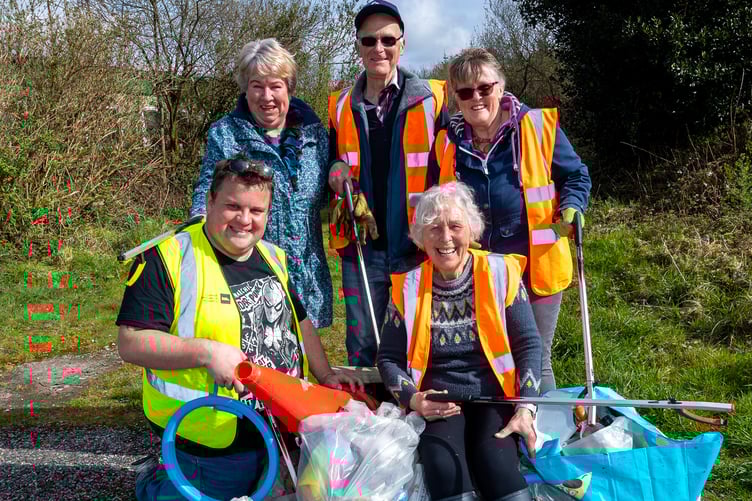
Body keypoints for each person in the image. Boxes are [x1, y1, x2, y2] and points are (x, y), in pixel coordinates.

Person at [118, 158, 362, 500]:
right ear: (210, 203)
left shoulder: (272, 256)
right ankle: (158, 478)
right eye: (233, 206)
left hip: (280, 430)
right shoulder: (168, 258)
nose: (245, 220)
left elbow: (300, 321)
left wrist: (325, 374)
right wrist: (206, 352)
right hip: (210, 442)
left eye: (256, 211)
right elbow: (130, 343)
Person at [427, 48, 591, 395]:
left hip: (537, 268)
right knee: (491, 356)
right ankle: (502, 437)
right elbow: (434, 197)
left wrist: (573, 205)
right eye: (465, 92)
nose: (476, 98)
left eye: (484, 88)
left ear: (500, 87)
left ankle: (541, 441)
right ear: (455, 97)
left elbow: (576, 176)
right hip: (480, 272)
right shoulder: (446, 142)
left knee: (535, 357)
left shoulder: (536, 127)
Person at [378, 182, 541, 501]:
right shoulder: (405, 287)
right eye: (434, 228)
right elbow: (388, 359)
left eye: (455, 226)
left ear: (472, 229)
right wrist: (414, 400)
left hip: (493, 396)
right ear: (421, 238)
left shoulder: (502, 273)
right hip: (438, 401)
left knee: (497, 467)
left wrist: (527, 408)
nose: (446, 238)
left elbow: (529, 345)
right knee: (444, 468)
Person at [328, 0, 449, 367]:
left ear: (402, 44)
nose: (378, 48)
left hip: (415, 247)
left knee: (418, 342)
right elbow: (332, 159)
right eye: (368, 41)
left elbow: (452, 164)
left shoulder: (432, 99)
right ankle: (369, 421)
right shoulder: (340, 106)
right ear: (358, 47)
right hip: (361, 248)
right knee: (364, 345)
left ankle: (414, 418)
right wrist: (334, 171)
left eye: (387, 39)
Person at [190, 38, 333, 330]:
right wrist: (197, 229)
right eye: (257, 85)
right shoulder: (227, 134)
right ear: (245, 88)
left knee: (306, 366)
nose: (267, 96)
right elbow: (208, 190)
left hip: (306, 276)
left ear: (289, 88)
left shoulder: (315, 135)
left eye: (275, 86)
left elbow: (327, 188)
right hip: (251, 276)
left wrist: (342, 174)